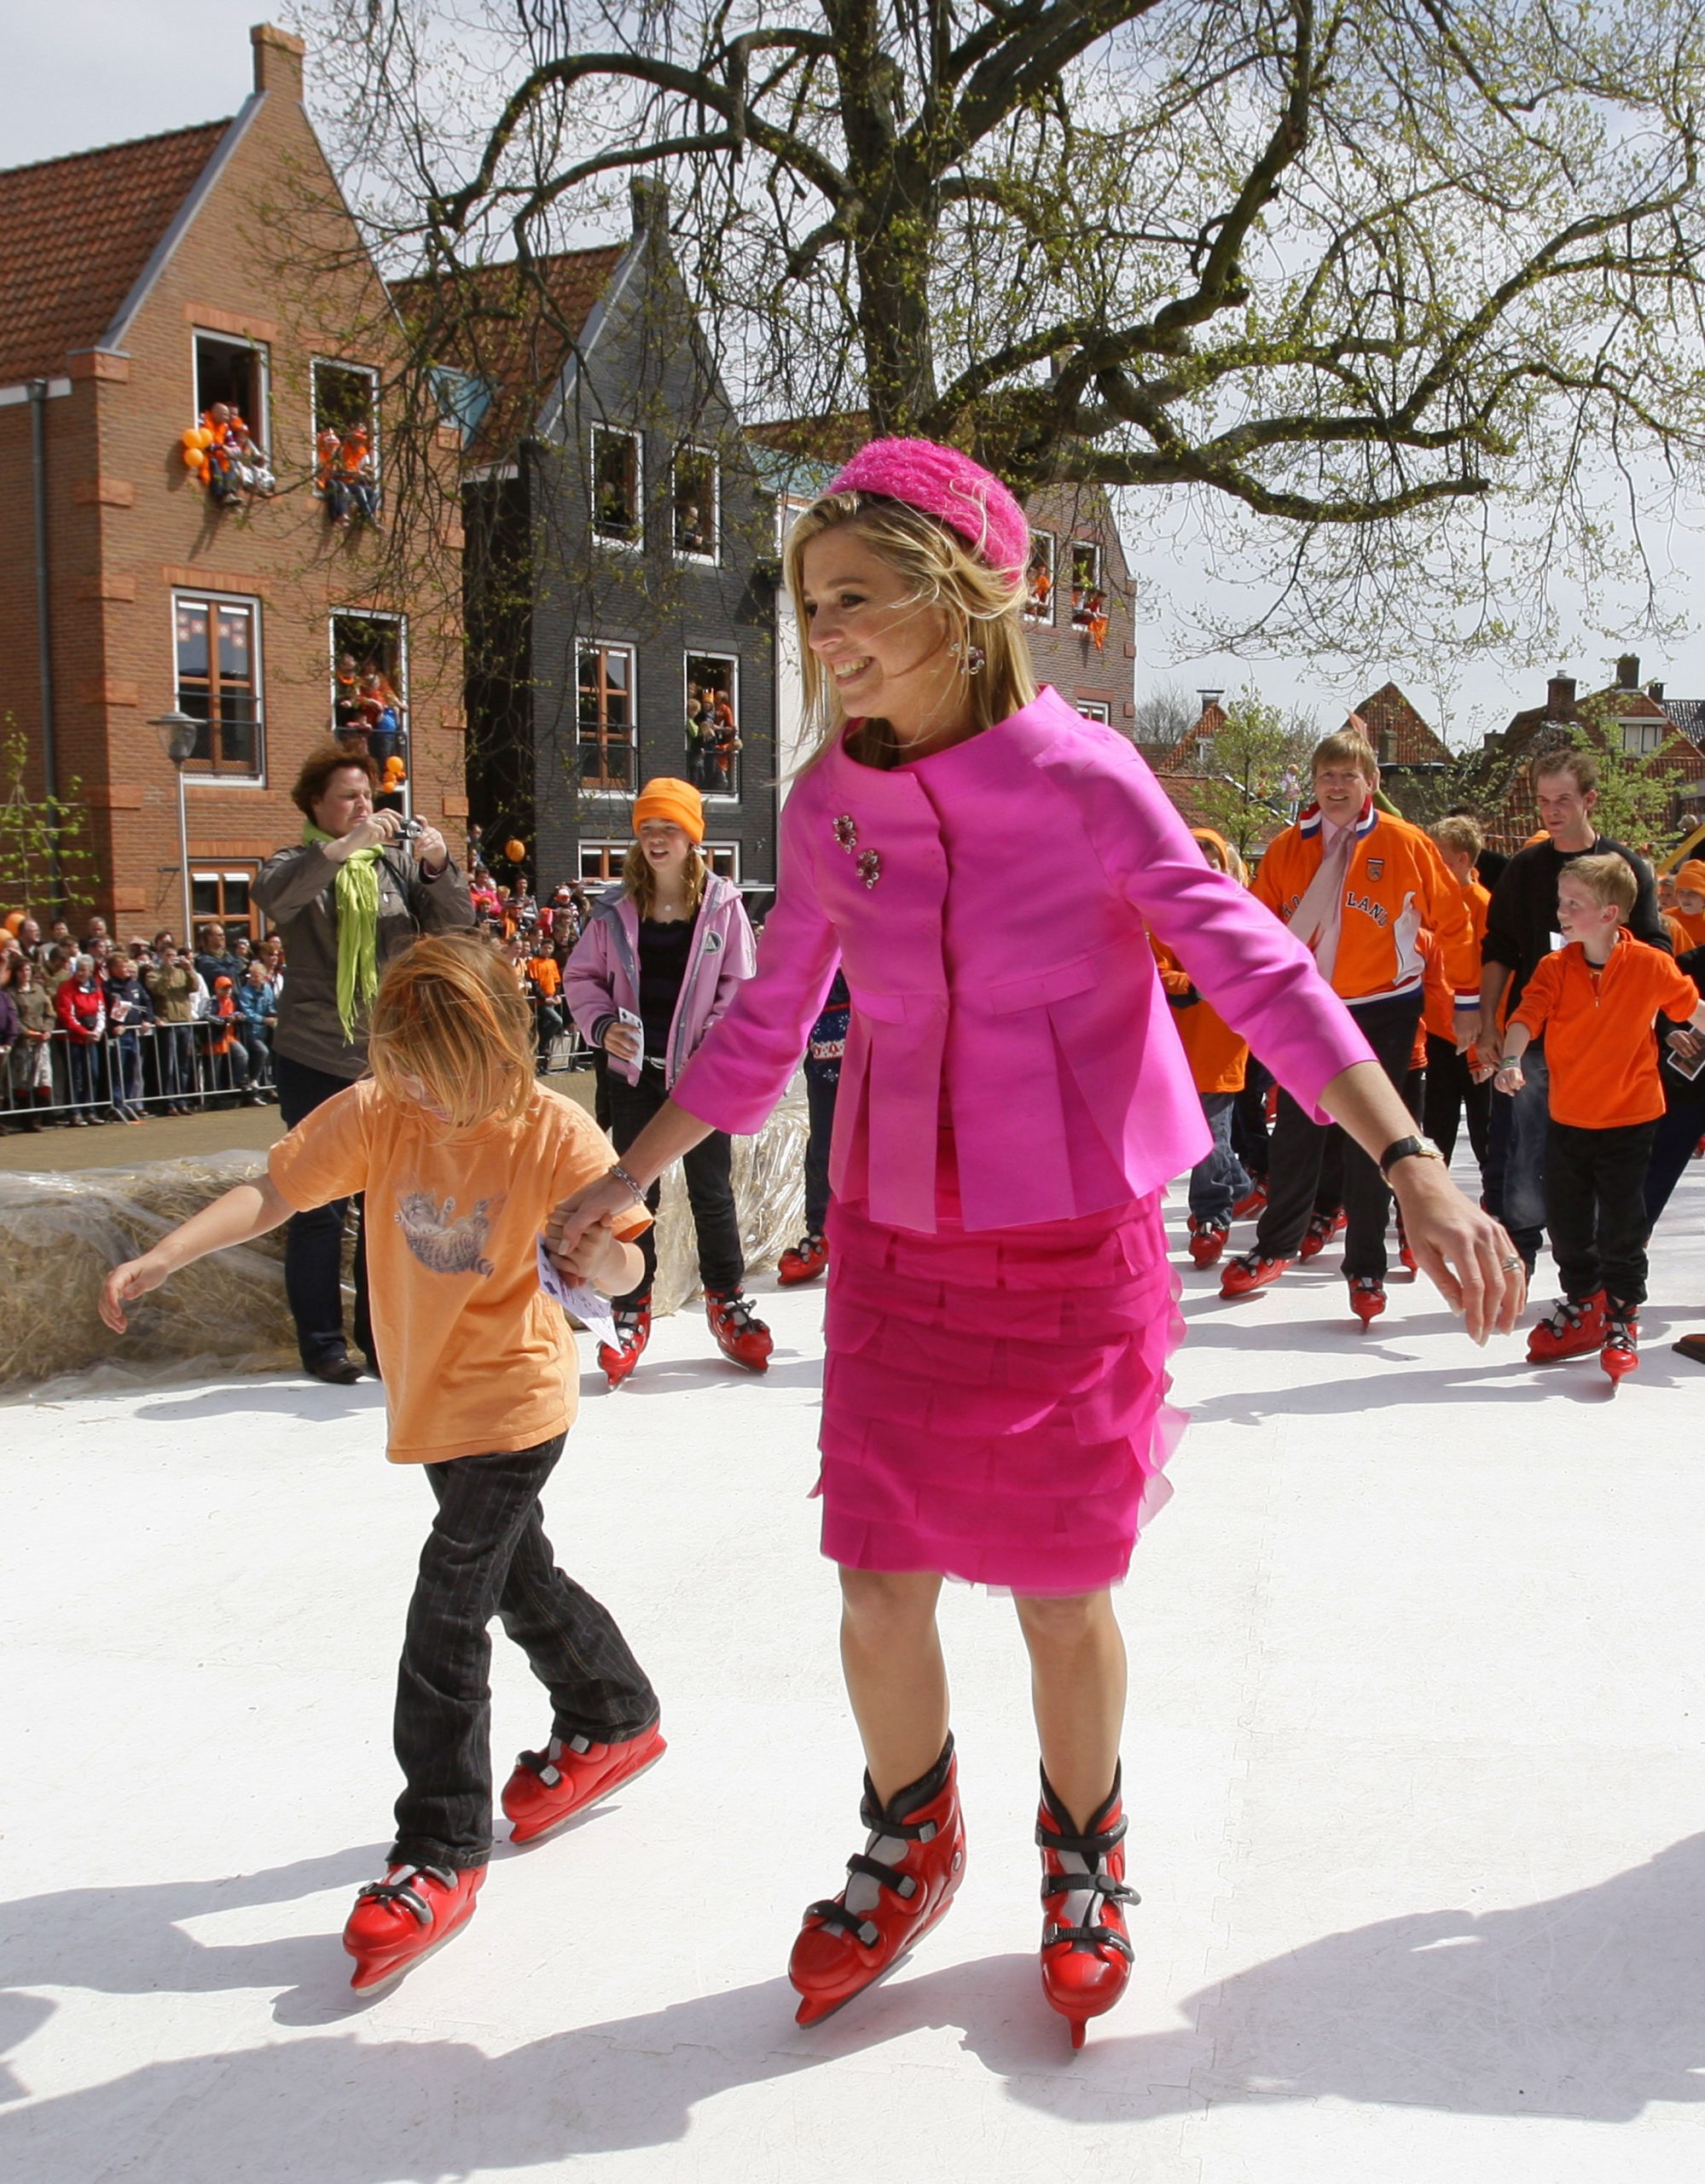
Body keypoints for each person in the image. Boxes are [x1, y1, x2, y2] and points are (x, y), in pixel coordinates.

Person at [544, 437, 1523, 2049]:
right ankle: (908, 1833)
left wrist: (1408, 1160)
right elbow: (758, 1028)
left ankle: (1083, 1852)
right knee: (873, 1578)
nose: (828, 635)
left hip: (1073, 1237)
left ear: (957, 596)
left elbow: (1259, 970)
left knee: (1061, 1592)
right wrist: (623, 1174)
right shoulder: (825, 798)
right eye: (809, 608)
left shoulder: (1079, 774)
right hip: (898, 1245)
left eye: (855, 598)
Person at [97, 934, 664, 1993]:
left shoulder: (551, 1131)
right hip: (431, 1400)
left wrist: (607, 1257)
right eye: (401, 1068)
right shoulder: (381, 1110)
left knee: (447, 1611)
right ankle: (613, 1709)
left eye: (434, 1072)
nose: (416, 1094)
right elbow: (277, 1190)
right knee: (516, 1576)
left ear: (496, 1050)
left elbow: (635, 1260)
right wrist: (165, 1252)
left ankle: (440, 1846)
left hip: (515, 1402)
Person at [1222, 723, 1480, 1325]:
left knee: (1376, 1139)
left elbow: (1455, 920)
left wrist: (1465, 1000)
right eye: (1325, 776)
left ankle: (1364, 1263)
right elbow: (1259, 923)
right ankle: (1275, 1243)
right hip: (1308, 1006)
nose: (1336, 787)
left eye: (1348, 776)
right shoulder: (1289, 845)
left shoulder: (1405, 841)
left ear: (1371, 783)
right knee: (1295, 1131)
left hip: (1384, 1006)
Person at [252, 743, 473, 1385]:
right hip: (316, 1053)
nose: (362, 807)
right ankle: (321, 1344)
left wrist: (438, 865)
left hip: (392, 1058)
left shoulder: (397, 865)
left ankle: (382, 1338)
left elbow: (456, 929)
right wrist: (341, 849)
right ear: (317, 806)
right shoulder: (299, 861)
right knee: (315, 1203)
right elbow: (275, 897)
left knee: (390, 1204)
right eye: (347, 797)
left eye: (367, 796)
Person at [562, 778, 768, 1385]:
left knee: (712, 1190)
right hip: (634, 1076)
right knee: (634, 1196)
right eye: (647, 828)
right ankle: (630, 1309)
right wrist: (601, 1028)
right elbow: (582, 979)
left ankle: (725, 1298)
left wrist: (715, 1041)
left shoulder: (724, 909)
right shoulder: (613, 910)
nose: (656, 839)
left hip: (702, 1082)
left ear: (691, 838)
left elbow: (740, 987)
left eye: (669, 828)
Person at [1494, 854, 1704, 1380]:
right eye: (1561, 901)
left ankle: (1622, 1317)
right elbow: (1526, 1016)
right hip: (1569, 1117)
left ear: (1610, 914)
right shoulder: (1554, 968)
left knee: (1621, 1226)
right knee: (1565, 1226)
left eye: (1573, 904)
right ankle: (1584, 1300)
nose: (1560, 911)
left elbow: (1690, 1007)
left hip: (1631, 1120)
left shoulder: (1651, 965)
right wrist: (1513, 1059)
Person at [1476, 748, 1671, 1277]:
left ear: (1589, 800)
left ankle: (1602, 1269)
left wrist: (1664, 1023)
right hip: (1536, 1035)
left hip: (1608, 1047)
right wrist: (1489, 1020)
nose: (1552, 811)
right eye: (1543, 801)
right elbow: (1499, 948)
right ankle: (1519, 1253)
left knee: (1601, 1162)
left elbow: (1656, 950)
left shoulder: (1625, 868)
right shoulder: (1524, 869)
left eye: (1563, 799)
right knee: (1526, 1147)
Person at [1151, 830, 1253, 1268]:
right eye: (1197, 856)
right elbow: (1153, 971)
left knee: (1209, 1138)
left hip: (1220, 1045)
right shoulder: (1161, 918)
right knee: (1198, 1140)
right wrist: (1192, 986)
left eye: (1214, 857)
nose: (1206, 863)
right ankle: (1244, 1186)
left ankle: (1210, 1217)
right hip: (1174, 1047)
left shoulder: (1245, 916)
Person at [1422, 816, 1494, 1181]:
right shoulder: (1429, 902)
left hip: (1474, 1035)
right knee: (1436, 1123)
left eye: (1439, 858)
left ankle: (1495, 1199)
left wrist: (1482, 1042)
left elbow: (1489, 975)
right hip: (1437, 1029)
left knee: (1485, 1127)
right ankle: (1434, 1195)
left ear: (1463, 860)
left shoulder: (1482, 904)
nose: (1431, 866)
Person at [776, 966, 850, 1287]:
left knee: (883, 1148)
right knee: (823, 1146)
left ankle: (881, 1235)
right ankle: (822, 1232)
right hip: (825, 1055)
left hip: (882, 1050)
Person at [144, 944, 197, 1114]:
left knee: (183, 1065)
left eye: (173, 955)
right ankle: (169, 1101)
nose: (171, 958)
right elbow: (158, 990)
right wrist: (167, 972)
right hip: (168, 1023)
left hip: (184, 1022)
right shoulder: (153, 974)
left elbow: (194, 987)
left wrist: (189, 969)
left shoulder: (182, 972)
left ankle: (182, 1099)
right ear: (160, 955)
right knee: (168, 1065)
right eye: (167, 955)